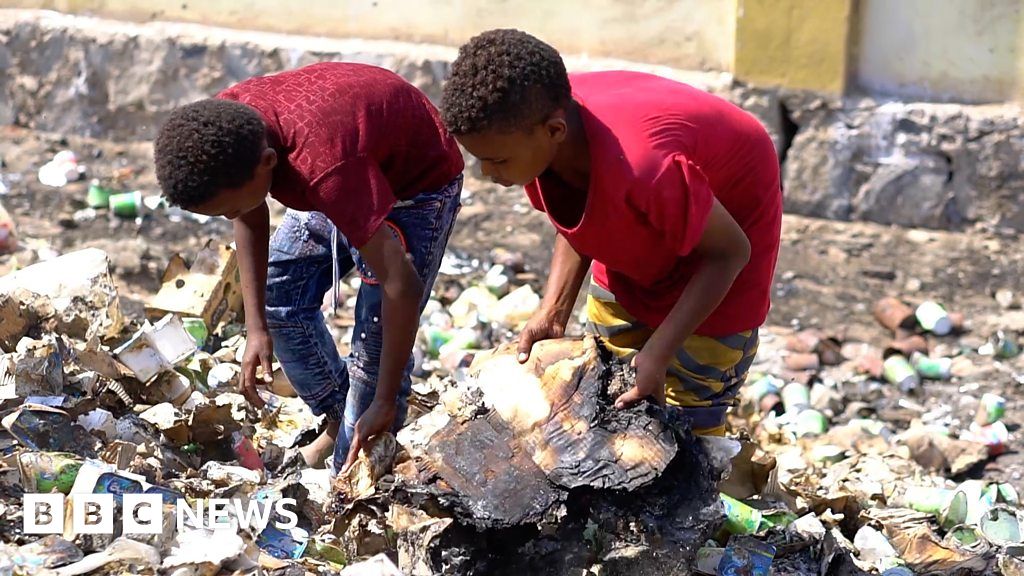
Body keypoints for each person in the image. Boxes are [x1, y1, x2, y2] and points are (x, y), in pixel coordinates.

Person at [440, 30, 781, 436]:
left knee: (690, 426)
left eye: (495, 160)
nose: (487, 174)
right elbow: (577, 215)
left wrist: (659, 352)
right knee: (607, 397)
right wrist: (553, 310)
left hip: (721, 254)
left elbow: (729, 253)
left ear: (554, 132)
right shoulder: (537, 129)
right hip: (642, 236)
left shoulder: (643, 167)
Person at [154, 62, 464, 471]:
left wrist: (385, 399)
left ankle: (359, 464)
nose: (233, 214)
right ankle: (342, 419)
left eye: (230, 206)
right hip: (350, 164)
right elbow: (247, 212)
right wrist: (256, 328)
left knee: (374, 348)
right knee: (277, 299)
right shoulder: (231, 126)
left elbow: (400, 287)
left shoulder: (323, 170)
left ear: (268, 163)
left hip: (414, 188)